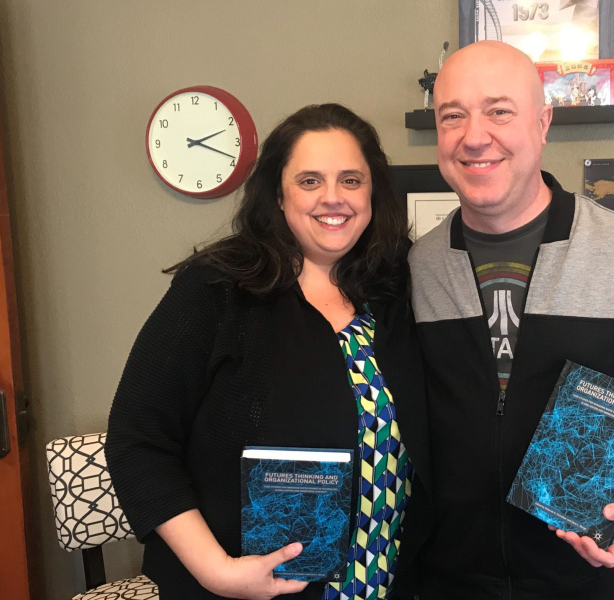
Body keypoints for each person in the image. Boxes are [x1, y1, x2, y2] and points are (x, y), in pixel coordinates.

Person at [406, 41, 614, 600]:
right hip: (445, 580)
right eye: (452, 115)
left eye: (499, 110)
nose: (474, 135)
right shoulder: (415, 265)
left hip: (585, 577)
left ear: (543, 121)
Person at [106, 103, 430, 600]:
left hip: (384, 579)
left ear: (372, 192)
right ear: (277, 194)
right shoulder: (217, 288)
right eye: (309, 181)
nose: (332, 198)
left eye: (350, 180)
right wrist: (217, 571)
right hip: (246, 588)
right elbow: (139, 440)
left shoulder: (398, 289)